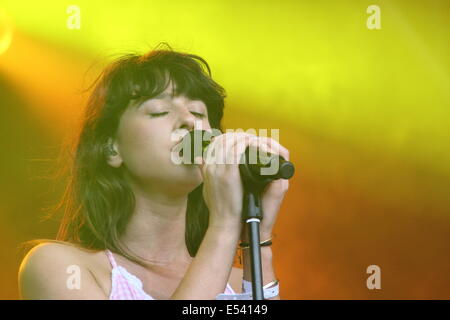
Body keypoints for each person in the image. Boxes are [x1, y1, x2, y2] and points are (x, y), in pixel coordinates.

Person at [17, 43, 290, 300]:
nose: (188, 121)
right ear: (112, 150)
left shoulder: (237, 283)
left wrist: (258, 237)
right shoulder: (62, 268)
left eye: (198, 112)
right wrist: (223, 226)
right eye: (159, 111)